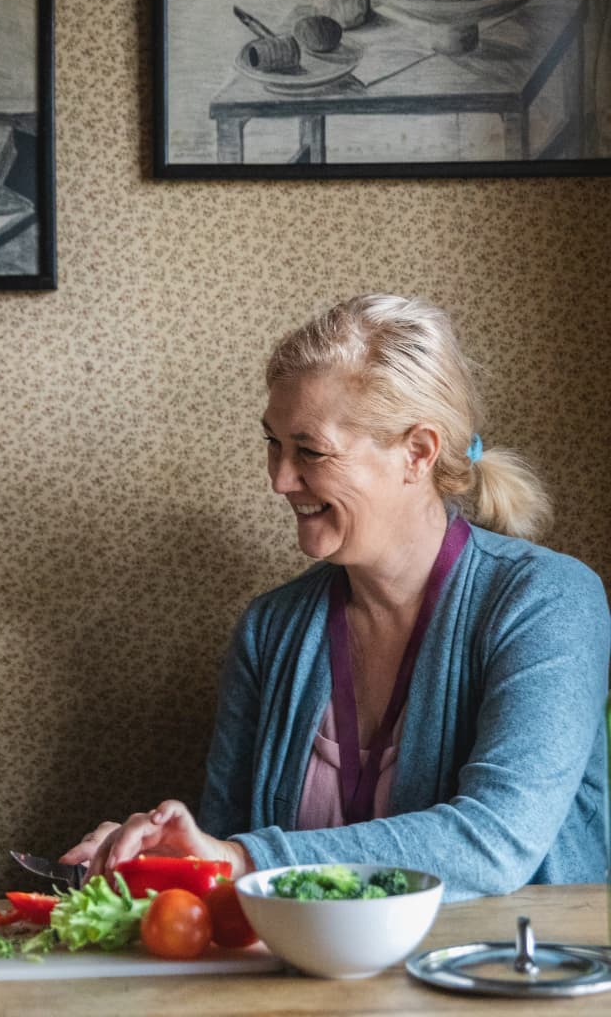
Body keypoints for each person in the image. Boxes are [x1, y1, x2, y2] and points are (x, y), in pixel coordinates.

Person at [62, 294, 609, 902]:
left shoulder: (549, 601)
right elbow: (222, 858)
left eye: (311, 451)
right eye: (273, 443)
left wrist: (243, 857)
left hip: (511, 984)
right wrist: (159, 860)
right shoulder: (271, 628)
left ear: (418, 452)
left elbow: (496, 842)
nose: (280, 479)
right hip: (307, 986)